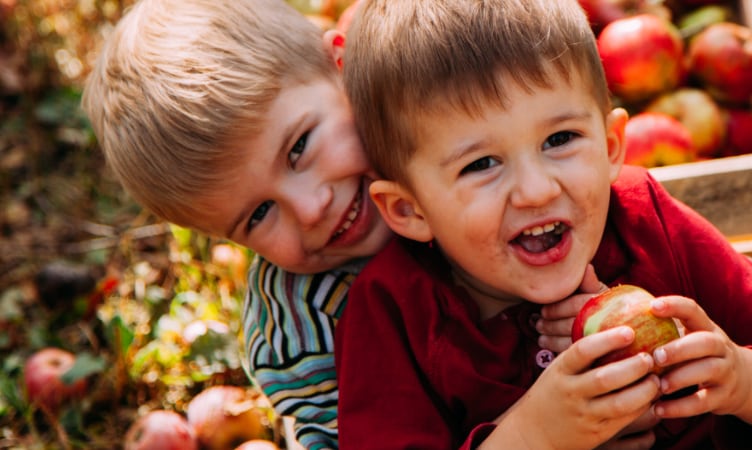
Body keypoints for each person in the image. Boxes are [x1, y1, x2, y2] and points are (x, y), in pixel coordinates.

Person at [334, 0, 752, 448]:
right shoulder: (395, 312)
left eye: (560, 140)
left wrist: (742, 379)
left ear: (613, 146)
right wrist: (533, 436)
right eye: (480, 164)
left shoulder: (645, 223)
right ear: (410, 210)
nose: (538, 189)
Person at [80, 0, 594, 448]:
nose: (310, 208)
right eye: (259, 215)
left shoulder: (483, 139)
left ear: (342, 68)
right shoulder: (306, 336)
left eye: (299, 147)